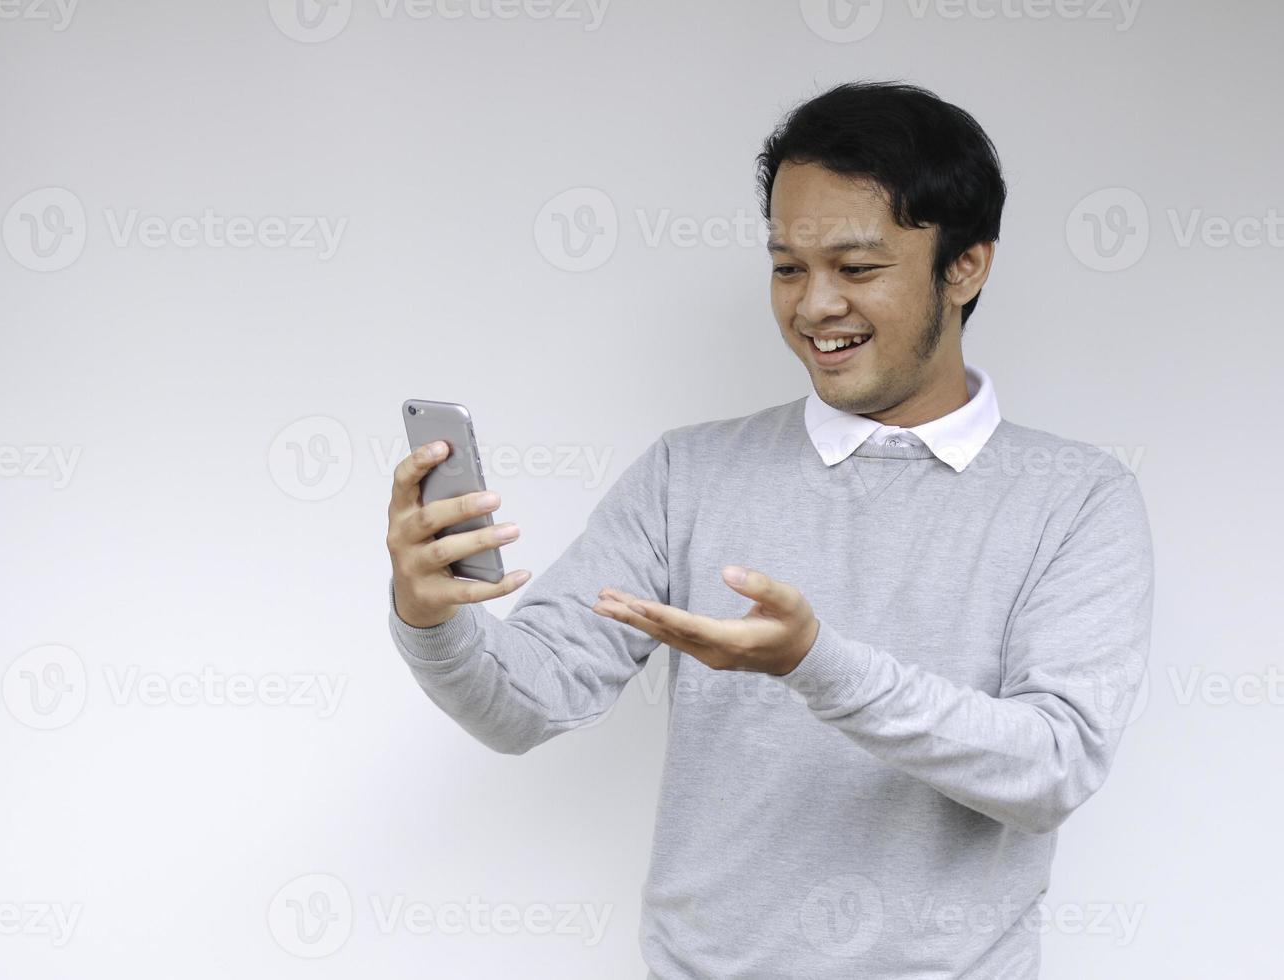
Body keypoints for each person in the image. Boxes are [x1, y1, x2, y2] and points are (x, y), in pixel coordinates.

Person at [385, 79, 1154, 979]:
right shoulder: (690, 473)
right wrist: (432, 622)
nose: (813, 306)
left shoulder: (1076, 497)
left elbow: (1051, 769)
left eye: (857, 269)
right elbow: (529, 703)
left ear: (966, 266)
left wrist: (813, 663)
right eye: (789, 267)